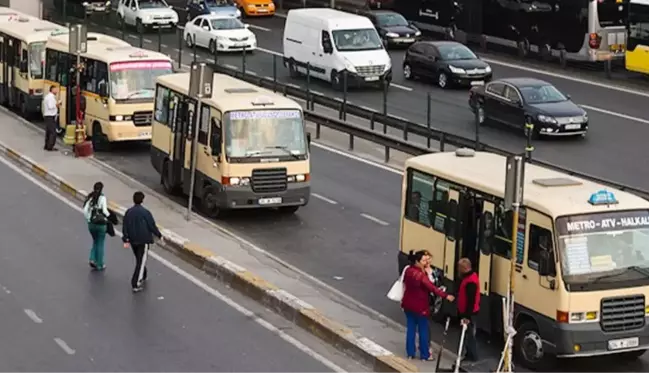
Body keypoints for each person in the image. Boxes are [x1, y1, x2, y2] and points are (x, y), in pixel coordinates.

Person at [402, 250, 455, 360]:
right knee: (423, 330)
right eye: (423, 261)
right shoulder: (421, 276)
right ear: (417, 261)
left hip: (408, 304)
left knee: (411, 329)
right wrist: (446, 296)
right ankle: (424, 354)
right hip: (420, 306)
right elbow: (432, 288)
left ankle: (410, 353)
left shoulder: (408, 270)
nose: (426, 263)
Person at [122, 191, 163, 293]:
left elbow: (125, 226)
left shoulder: (128, 212)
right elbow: (151, 226)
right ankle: (135, 282)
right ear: (142, 200)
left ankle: (143, 274)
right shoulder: (146, 212)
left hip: (132, 240)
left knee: (139, 258)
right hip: (143, 240)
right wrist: (159, 235)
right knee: (141, 261)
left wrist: (126, 238)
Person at [456, 257, 480, 363]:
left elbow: (471, 300)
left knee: (470, 336)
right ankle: (469, 354)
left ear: (464, 268)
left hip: (470, 313)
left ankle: (472, 357)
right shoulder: (470, 277)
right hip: (468, 312)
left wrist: (466, 316)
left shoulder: (471, 281)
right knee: (468, 335)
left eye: (460, 268)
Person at [83, 182, 109, 270]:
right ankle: (100, 264)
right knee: (100, 243)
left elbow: (85, 211)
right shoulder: (102, 198)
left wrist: (89, 220)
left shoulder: (90, 197)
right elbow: (105, 211)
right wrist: (109, 217)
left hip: (91, 225)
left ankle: (92, 258)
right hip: (101, 225)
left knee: (95, 241)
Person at [42, 85, 60, 151]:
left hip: (48, 116)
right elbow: (50, 106)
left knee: (48, 132)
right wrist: (57, 104)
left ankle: (46, 146)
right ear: (52, 90)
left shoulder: (48, 96)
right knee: (53, 132)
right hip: (50, 116)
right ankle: (50, 146)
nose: (57, 91)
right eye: (55, 89)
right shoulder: (50, 97)